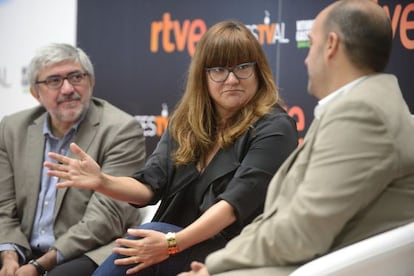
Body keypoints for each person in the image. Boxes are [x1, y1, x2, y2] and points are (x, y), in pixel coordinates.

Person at [177, 1, 414, 275]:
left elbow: (303, 230)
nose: (305, 57)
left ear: (331, 45)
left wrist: (214, 266)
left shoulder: (361, 113)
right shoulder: (365, 104)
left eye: (311, 44)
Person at [44, 20, 299, 275]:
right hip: (173, 243)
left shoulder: (275, 126)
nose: (232, 79)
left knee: (149, 236)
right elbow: (149, 186)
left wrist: (171, 244)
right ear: (204, 75)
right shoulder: (187, 122)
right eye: (219, 70)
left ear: (258, 71)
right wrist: (102, 181)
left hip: (233, 249)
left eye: (243, 67)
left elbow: (234, 204)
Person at [0, 43, 146, 276]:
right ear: (35, 93)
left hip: (88, 250)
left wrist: (39, 266)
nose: (68, 88)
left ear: (91, 82)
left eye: (76, 77)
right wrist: (9, 257)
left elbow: (104, 220)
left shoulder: (121, 130)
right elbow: (3, 206)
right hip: (22, 247)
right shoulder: (12, 128)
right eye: (54, 81)